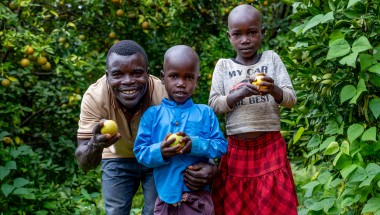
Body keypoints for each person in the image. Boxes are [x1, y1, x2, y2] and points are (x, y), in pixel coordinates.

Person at [75, 40, 217, 215]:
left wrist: (211, 166)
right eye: (118, 74)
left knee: (154, 210)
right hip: (117, 156)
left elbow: (195, 135)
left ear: (148, 74)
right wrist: (96, 144)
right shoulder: (94, 97)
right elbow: (83, 162)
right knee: (116, 211)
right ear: (107, 76)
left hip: (158, 157)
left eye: (137, 73)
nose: (128, 81)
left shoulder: (165, 92)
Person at [208, 4, 299, 215]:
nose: (245, 40)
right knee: (237, 204)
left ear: (262, 33)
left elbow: (290, 99)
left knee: (274, 203)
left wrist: (274, 89)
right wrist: (237, 94)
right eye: (238, 34)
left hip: (270, 145)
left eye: (252, 32)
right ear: (229, 36)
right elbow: (214, 104)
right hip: (237, 147)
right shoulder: (223, 66)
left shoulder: (271, 59)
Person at [133, 45, 228, 215]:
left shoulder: (205, 113)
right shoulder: (152, 115)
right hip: (165, 200)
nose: (181, 84)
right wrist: (160, 151)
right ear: (163, 77)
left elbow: (221, 146)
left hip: (198, 202)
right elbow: (140, 152)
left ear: (197, 80)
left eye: (189, 77)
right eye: (174, 76)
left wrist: (195, 144)